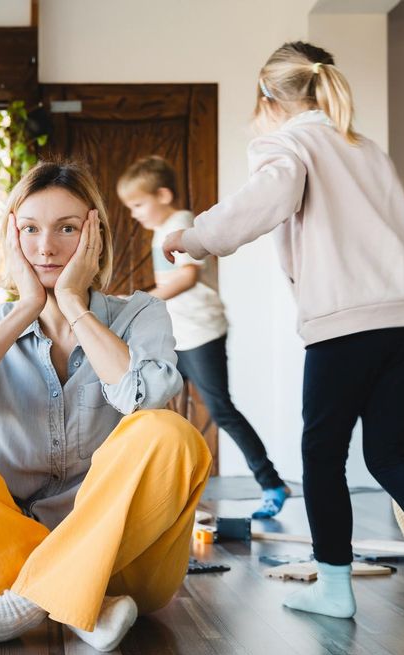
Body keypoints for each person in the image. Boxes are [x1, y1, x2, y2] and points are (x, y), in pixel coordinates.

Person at [164, 41, 404, 638]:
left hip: (349, 317)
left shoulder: (290, 143)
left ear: (269, 98)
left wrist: (195, 234)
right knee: (389, 453)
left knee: (321, 454)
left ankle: (335, 588)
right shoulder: (363, 148)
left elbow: (266, 198)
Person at [0, 160, 212, 653]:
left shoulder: (142, 313)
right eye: (29, 229)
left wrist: (74, 304)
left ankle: (22, 606)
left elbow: (147, 400)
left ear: (95, 237)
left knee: (170, 433)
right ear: (12, 238)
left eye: (67, 229)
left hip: (122, 560)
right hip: (4, 551)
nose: (46, 247)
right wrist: (26, 308)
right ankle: (82, 605)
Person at [118, 156, 289, 519]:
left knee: (220, 410)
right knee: (161, 410)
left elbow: (187, 277)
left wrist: (137, 302)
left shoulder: (180, 224)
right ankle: (167, 492)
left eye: (138, 204)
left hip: (201, 332)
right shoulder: (160, 229)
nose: (134, 213)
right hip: (178, 335)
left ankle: (271, 482)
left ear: (163, 195)